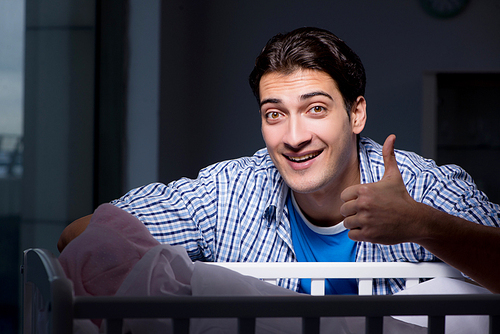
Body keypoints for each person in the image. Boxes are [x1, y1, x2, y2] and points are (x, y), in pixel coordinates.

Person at [58, 27, 500, 295]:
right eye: (274, 114)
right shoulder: (228, 193)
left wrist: (423, 225)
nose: (293, 137)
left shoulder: (420, 188)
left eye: (316, 109)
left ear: (357, 113)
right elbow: (77, 237)